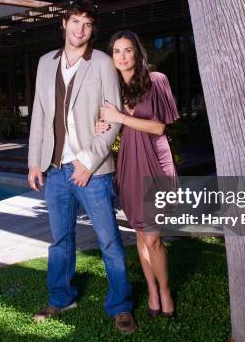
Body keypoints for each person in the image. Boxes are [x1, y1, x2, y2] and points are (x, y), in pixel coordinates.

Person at [27, 0, 136, 333]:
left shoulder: (102, 63)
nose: (80, 30)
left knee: (109, 241)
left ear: (92, 29)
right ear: (64, 23)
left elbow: (114, 119)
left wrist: (88, 163)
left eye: (87, 25)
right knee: (61, 241)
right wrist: (35, 162)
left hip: (93, 171)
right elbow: (40, 116)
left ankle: (120, 306)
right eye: (75, 22)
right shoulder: (46, 63)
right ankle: (61, 298)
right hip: (56, 169)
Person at [98, 30, 180, 318]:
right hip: (130, 164)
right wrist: (103, 125)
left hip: (155, 162)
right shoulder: (113, 91)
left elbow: (159, 128)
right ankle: (153, 291)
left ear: (137, 53)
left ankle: (166, 290)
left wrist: (119, 117)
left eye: (127, 50)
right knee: (141, 237)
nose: (122, 57)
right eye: (116, 51)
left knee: (153, 237)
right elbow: (110, 126)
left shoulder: (156, 81)